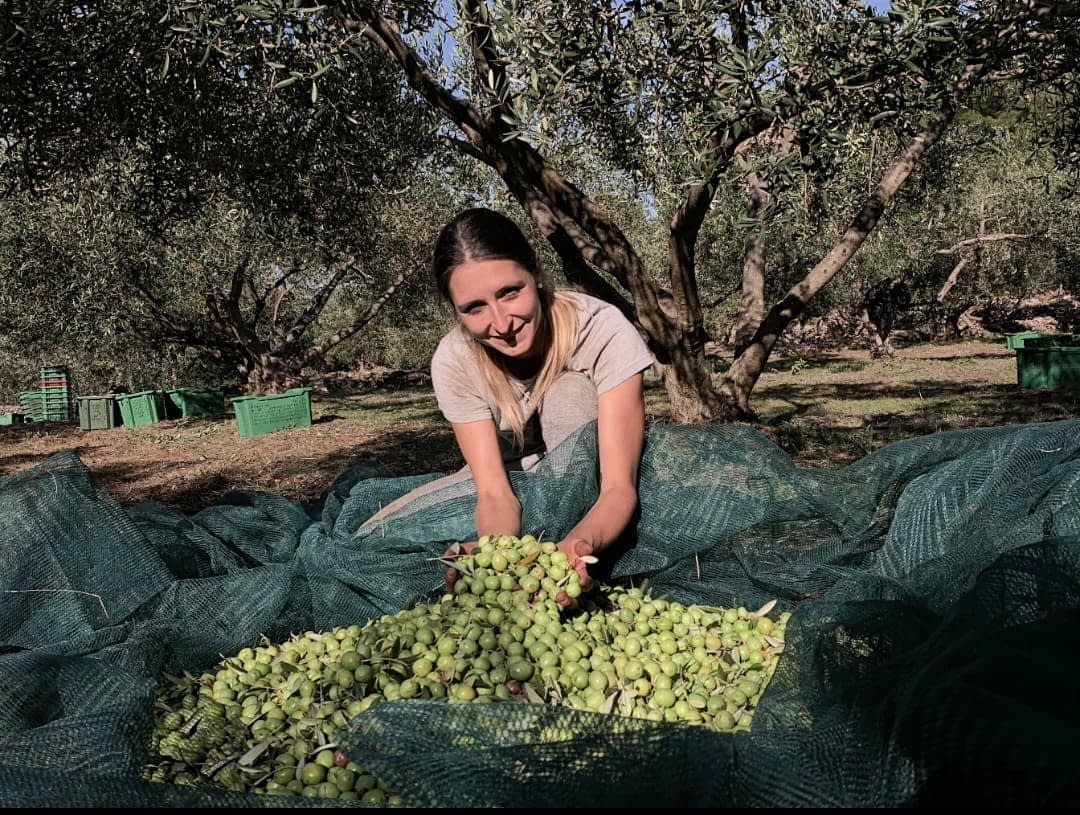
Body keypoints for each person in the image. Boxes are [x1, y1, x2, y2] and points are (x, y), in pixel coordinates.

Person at [358, 207, 654, 599]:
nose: (500, 323)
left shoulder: (601, 330)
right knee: (370, 538)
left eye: (510, 292)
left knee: (569, 394)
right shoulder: (454, 360)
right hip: (509, 478)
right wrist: (496, 553)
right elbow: (495, 492)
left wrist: (575, 550)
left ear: (535, 270)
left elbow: (618, 489)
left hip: (589, 479)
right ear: (454, 310)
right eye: (474, 308)